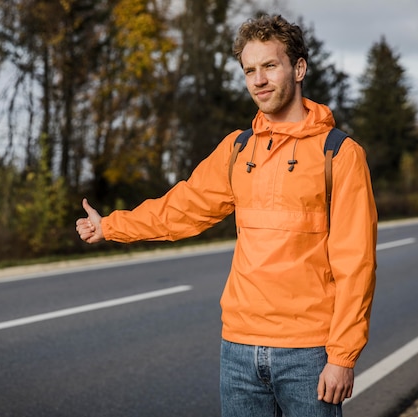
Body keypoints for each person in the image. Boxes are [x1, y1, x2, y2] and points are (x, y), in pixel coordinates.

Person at [76, 13, 377, 417]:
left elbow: (356, 264)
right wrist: (110, 225)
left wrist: (342, 356)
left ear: (298, 68)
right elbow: (180, 209)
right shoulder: (238, 150)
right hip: (237, 350)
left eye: (270, 65)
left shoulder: (339, 154)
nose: (259, 80)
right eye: (249, 70)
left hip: (308, 353)